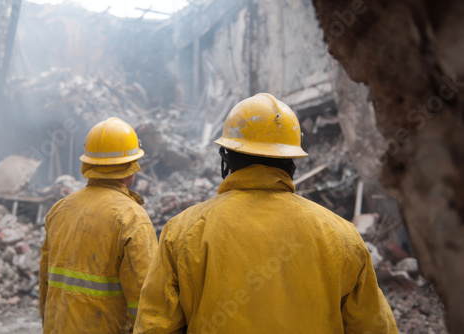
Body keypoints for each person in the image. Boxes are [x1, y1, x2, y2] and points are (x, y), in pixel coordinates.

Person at [134, 93, 398, 333]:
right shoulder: (342, 236)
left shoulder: (182, 232)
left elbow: (155, 327)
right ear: (291, 162)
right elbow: (375, 328)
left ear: (225, 159)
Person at [39, 117, 158, 333]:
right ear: (132, 167)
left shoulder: (59, 210)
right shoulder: (132, 218)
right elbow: (146, 300)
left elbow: (45, 286)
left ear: (88, 163)